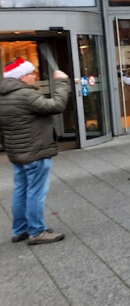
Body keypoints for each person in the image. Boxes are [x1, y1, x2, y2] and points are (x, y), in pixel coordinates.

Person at [0, 58, 70, 245]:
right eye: (31, 73)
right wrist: (62, 82)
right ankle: (37, 231)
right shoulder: (25, 95)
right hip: (35, 150)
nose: (34, 77)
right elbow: (56, 106)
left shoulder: (4, 94)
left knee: (21, 190)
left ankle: (21, 229)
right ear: (21, 76)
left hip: (17, 151)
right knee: (35, 192)